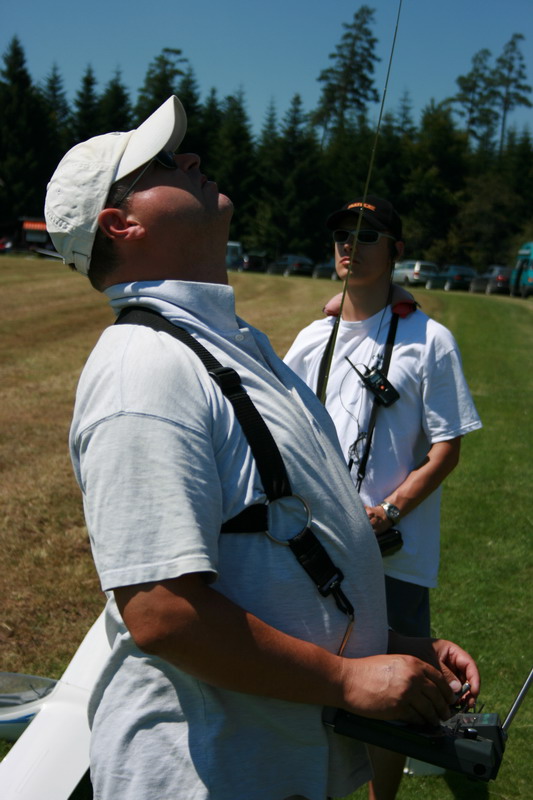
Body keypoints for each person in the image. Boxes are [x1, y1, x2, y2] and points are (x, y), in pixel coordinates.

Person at [44, 99, 480, 800]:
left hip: (266, 758)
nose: (190, 158)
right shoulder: (143, 367)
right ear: (120, 224)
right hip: (205, 774)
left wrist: (390, 648)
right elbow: (163, 612)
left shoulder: (227, 345)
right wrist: (345, 677)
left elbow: (272, 546)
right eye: (163, 162)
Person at [284, 196, 482, 799]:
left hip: (394, 553)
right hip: (316, 547)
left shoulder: (430, 339)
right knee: (313, 674)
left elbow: (446, 449)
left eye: (368, 235)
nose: (351, 244)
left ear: (396, 250)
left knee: (399, 687)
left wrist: (388, 511)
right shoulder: (312, 337)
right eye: (342, 234)